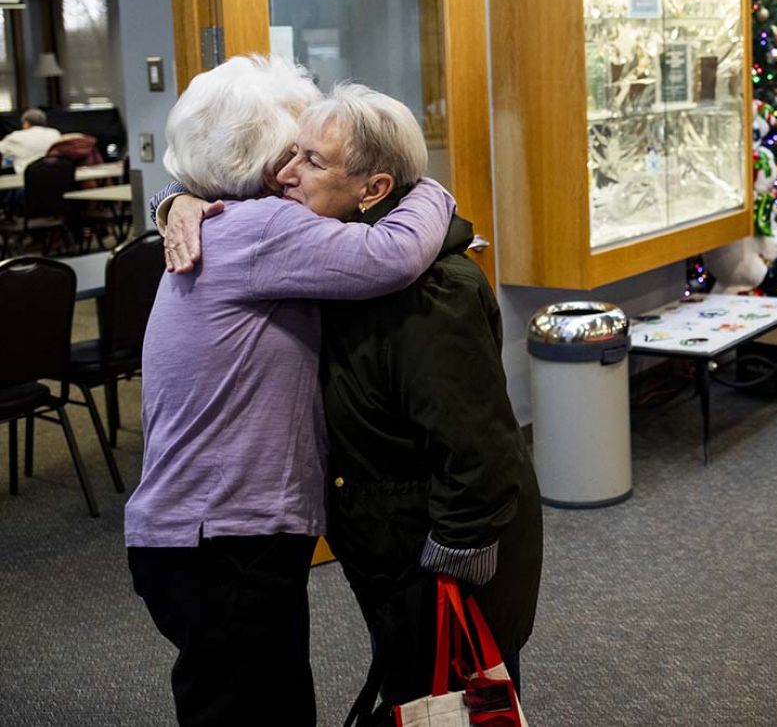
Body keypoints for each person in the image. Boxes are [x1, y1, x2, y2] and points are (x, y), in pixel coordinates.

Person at [163, 85, 543, 727]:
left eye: (311, 160)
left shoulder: (430, 292)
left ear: (372, 190)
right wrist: (174, 199)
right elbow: (229, 204)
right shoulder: (328, 250)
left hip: (442, 551)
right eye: (292, 153)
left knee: (453, 703)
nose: (285, 175)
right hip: (387, 540)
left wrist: (453, 560)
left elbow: (478, 446)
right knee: (419, 699)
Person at [126, 56, 457, 727]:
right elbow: (392, 255)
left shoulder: (217, 221)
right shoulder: (260, 229)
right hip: (223, 536)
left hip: (196, 534)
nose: (297, 170)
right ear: (264, 159)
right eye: (293, 153)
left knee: (248, 697)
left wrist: (171, 196)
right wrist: (428, 189)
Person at [0, 108, 61, 175]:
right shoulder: (54, 133)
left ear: (26, 123)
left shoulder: (16, 136)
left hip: (25, 178)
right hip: (52, 175)